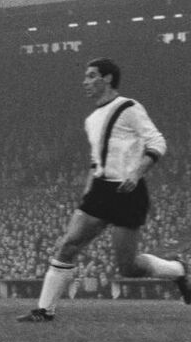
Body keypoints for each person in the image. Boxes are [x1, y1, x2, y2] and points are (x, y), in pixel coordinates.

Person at [18, 57, 190, 322]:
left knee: (128, 267)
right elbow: (96, 160)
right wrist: (88, 191)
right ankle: (44, 311)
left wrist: (136, 172)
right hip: (100, 191)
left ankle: (178, 270)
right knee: (68, 245)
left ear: (107, 78)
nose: (85, 82)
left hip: (128, 192)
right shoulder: (91, 120)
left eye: (91, 76)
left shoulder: (129, 107)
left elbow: (157, 142)